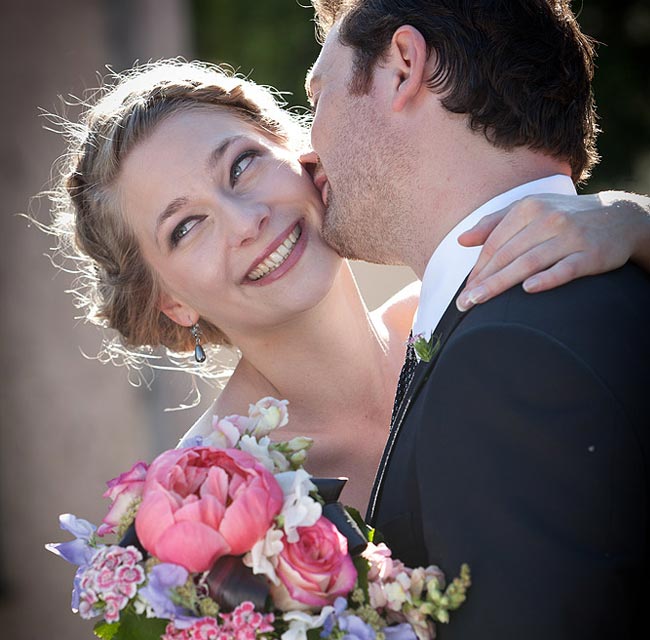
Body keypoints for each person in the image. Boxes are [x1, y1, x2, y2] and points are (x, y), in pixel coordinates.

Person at [50, 60, 648, 515]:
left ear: (303, 155)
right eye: (185, 227)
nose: (245, 220)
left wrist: (635, 221)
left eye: (241, 165)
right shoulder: (205, 500)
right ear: (171, 302)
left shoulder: (484, 297)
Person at [306, 0, 650, 637]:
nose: (308, 145)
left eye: (317, 95)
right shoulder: (615, 287)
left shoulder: (509, 353)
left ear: (403, 67)